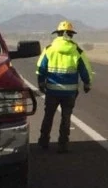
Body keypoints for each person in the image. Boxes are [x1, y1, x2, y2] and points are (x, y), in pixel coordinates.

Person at [36, 20, 94, 153]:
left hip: (52, 90)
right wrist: (87, 83)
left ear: (58, 34)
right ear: (70, 35)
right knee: (66, 117)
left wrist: (40, 82)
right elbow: (85, 70)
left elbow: (41, 68)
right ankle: (63, 144)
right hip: (70, 92)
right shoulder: (77, 51)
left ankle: (44, 141)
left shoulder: (49, 49)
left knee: (48, 116)